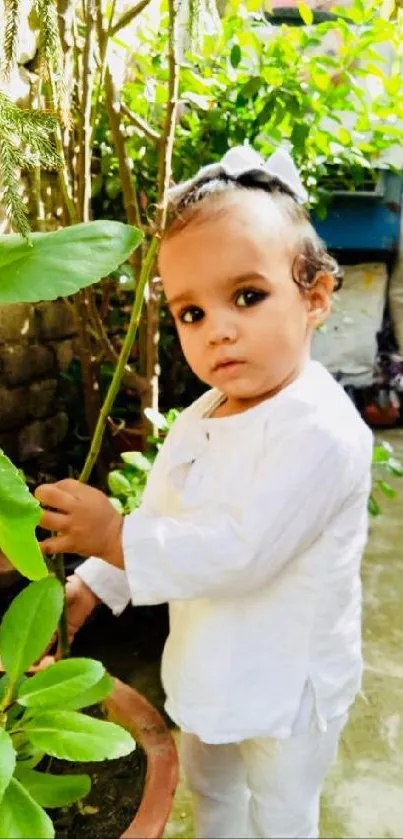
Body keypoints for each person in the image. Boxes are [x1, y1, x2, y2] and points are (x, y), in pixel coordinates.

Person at [35, 146, 373, 839]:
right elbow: (168, 513)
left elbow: (238, 551)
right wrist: (96, 581)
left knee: (279, 811)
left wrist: (112, 536)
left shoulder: (319, 429)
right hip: (209, 659)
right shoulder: (208, 408)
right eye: (190, 312)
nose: (217, 327)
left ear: (314, 297)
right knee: (210, 789)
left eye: (246, 296)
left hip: (286, 680)